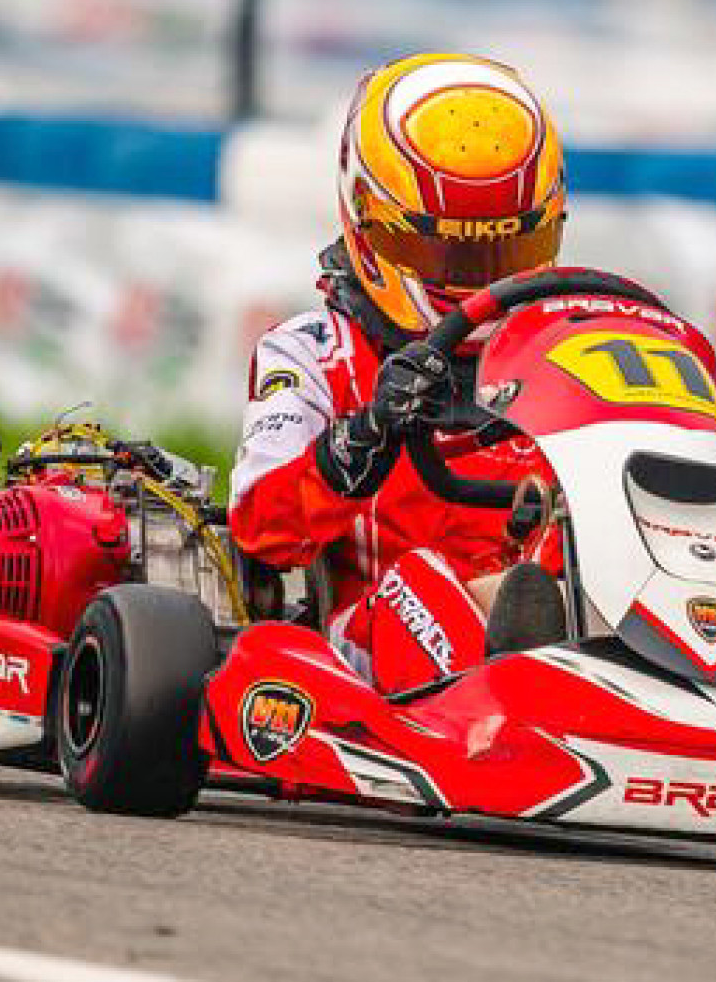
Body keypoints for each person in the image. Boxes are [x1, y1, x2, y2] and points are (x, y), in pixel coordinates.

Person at [228, 51, 572, 692]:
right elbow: (258, 527)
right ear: (369, 220)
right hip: (373, 642)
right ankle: (517, 651)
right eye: (447, 251)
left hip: (549, 611)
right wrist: (365, 436)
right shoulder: (311, 351)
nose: (480, 279)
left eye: (507, 250)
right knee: (427, 586)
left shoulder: (565, 355)